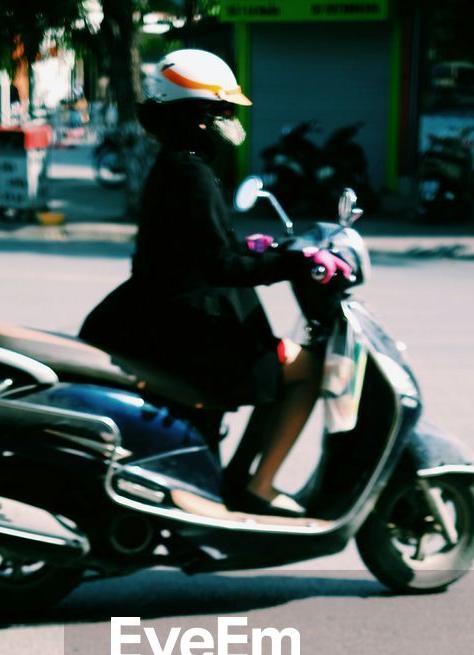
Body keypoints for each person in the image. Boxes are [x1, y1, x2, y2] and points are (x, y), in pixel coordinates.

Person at [80, 49, 347, 516]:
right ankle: (259, 485)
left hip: (160, 309)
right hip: (185, 323)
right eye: (225, 110)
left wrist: (259, 249)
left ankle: (235, 479)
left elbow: (201, 247)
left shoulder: (177, 164)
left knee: (275, 360)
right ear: (201, 116)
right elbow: (219, 266)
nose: (232, 120)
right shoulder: (191, 173)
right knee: (303, 369)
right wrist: (296, 264)